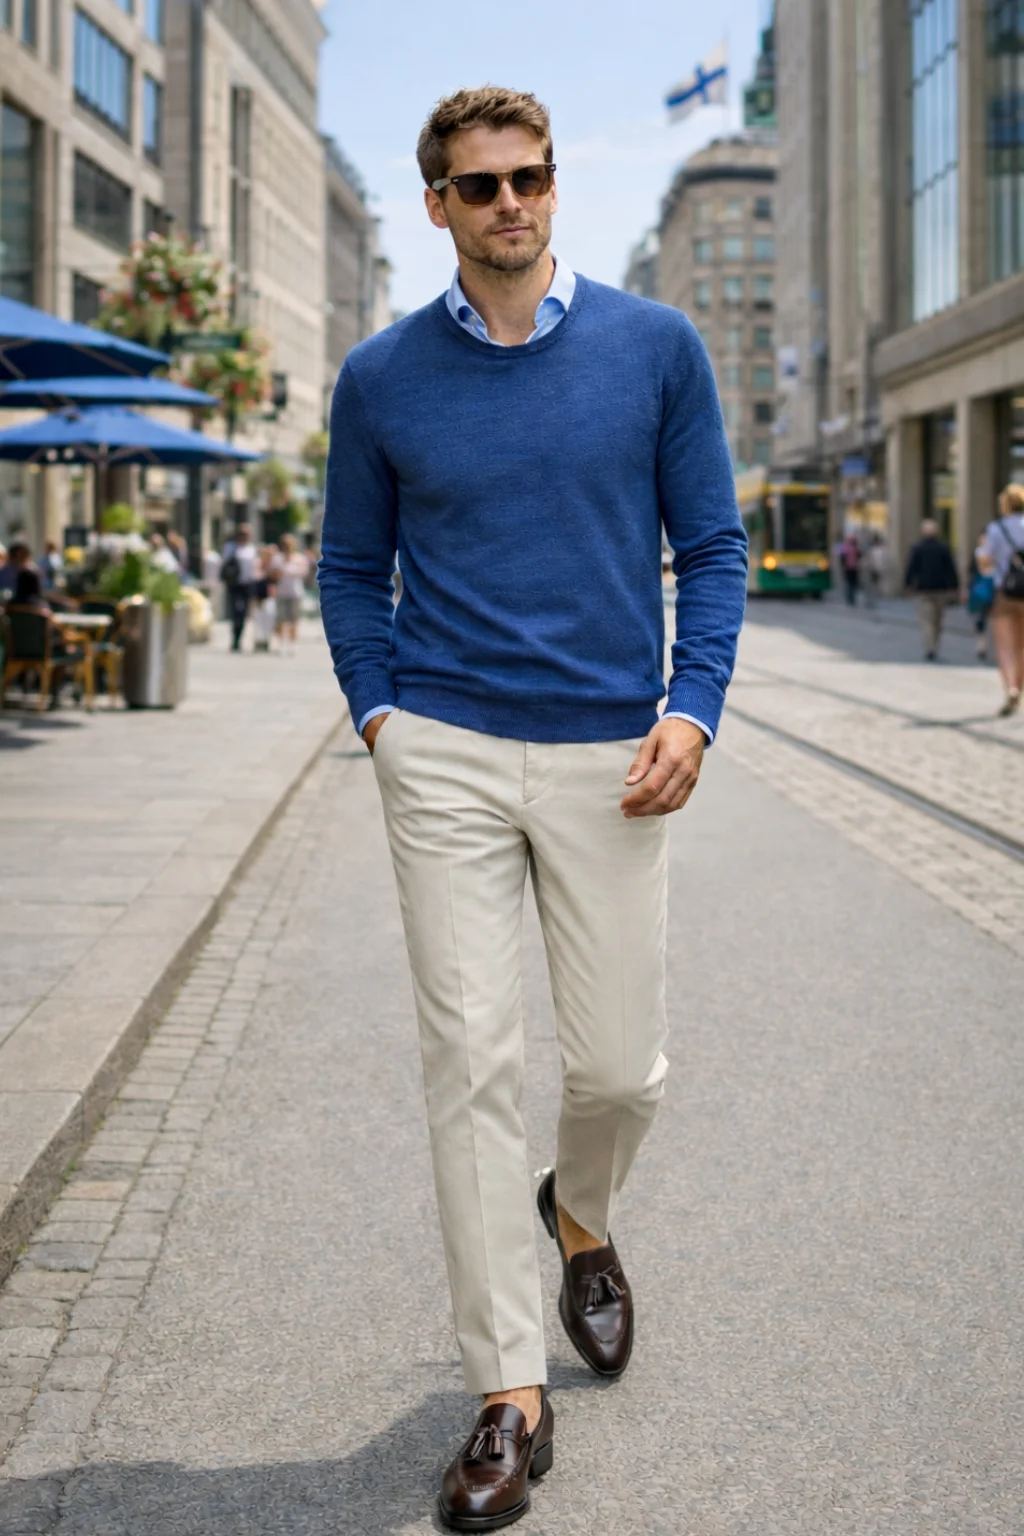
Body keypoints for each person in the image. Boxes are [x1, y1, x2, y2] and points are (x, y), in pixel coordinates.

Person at [318, 86, 748, 1532]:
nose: (511, 203)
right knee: (472, 1064)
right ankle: (510, 1393)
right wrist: (378, 713)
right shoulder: (380, 378)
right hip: (439, 744)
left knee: (622, 1070)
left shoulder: (655, 349)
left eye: (532, 179)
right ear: (437, 205)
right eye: (481, 185)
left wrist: (692, 709)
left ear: (555, 191)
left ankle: (582, 1214)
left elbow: (716, 546)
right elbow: (345, 568)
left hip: (608, 753)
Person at [978, 484, 1024, 715]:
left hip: (1005, 592)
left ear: (1005, 505)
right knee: (1022, 645)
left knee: (1005, 645)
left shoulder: (996, 529)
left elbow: (985, 562)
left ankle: (1011, 689)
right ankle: (1020, 685)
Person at [904, 519, 960, 660]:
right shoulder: (943, 548)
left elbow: (911, 568)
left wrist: (908, 584)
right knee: (937, 620)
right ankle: (933, 644)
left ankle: (930, 647)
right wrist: (954, 587)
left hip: (924, 589)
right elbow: (951, 569)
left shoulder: (918, 547)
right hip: (940, 589)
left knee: (927, 620)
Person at [220, 523, 257, 652]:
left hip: (247, 584)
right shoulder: (231, 547)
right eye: (241, 534)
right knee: (236, 610)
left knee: (243, 613)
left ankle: (239, 638)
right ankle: (234, 638)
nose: (243, 537)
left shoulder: (251, 549)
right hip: (234, 584)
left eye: (246, 535)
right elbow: (224, 563)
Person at [271, 534, 309, 654]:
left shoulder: (299, 558)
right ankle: (281, 643)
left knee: (293, 619)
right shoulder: (277, 558)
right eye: (285, 545)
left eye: (289, 545)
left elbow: (304, 572)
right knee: (280, 619)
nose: (287, 547)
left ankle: (292, 643)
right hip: (281, 592)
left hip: (295, 592)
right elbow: (273, 574)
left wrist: (288, 570)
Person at [838, 530, 861, 605]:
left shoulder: (855, 548)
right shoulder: (846, 547)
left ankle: (852, 598)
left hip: (854, 568)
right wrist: (843, 566)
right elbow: (842, 558)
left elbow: (859, 556)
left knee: (852, 584)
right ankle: (849, 598)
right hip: (848, 568)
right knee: (849, 584)